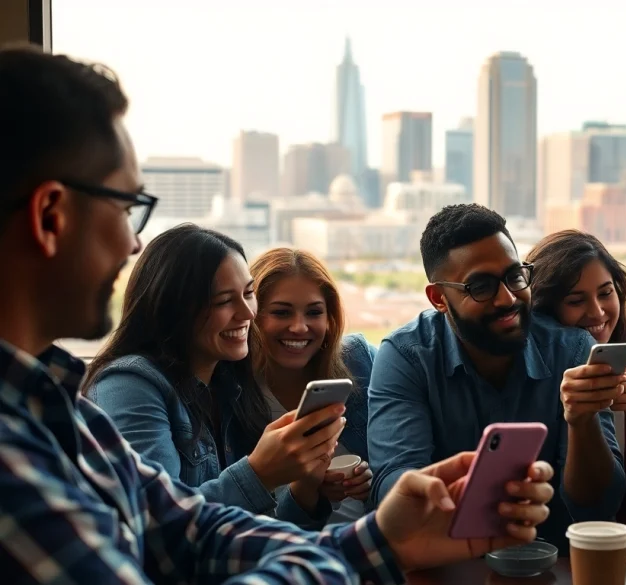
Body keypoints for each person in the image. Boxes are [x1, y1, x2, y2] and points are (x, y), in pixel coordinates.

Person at [0, 45, 555, 583]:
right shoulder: (19, 453)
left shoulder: (64, 410)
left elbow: (192, 532)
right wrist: (361, 548)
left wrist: (385, 537)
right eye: (127, 208)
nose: (133, 244)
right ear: (51, 216)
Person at [367, 204, 626, 554]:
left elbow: (598, 507)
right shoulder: (407, 356)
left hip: (554, 566)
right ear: (439, 298)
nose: (507, 298)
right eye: (481, 286)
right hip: (445, 565)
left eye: (515, 276)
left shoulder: (572, 350)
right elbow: (393, 487)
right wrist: (464, 496)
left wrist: (581, 422)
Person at [86, 224, 341, 529]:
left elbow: (250, 534)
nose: (248, 313)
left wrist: (305, 486)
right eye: (224, 301)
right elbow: (157, 523)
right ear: (174, 308)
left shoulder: (231, 385)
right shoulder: (128, 385)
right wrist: (259, 473)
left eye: (248, 294)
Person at [526, 229, 626, 555]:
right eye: (576, 301)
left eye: (606, 293)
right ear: (545, 312)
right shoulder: (535, 381)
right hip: (561, 558)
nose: (598, 312)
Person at [250, 247, 376, 524]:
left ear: (329, 318)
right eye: (282, 313)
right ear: (252, 315)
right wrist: (307, 489)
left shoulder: (359, 361)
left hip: (376, 538)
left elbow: (402, 460)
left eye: (314, 312)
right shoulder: (233, 395)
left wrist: (375, 480)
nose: (299, 327)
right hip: (294, 546)